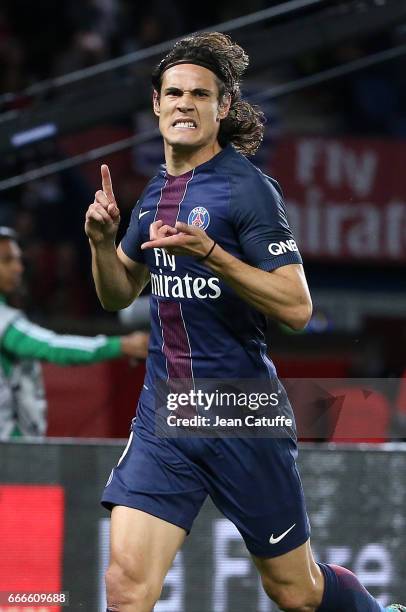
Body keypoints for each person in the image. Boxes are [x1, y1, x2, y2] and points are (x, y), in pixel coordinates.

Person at [85, 32, 404, 612]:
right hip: (166, 414)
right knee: (125, 588)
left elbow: (296, 308)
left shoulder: (248, 189)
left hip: (240, 410)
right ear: (156, 103)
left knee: (297, 594)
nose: (185, 103)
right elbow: (117, 293)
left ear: (222, 108)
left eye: (200, 95)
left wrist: (213, 255)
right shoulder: (155, 192)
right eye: (174, 93)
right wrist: (103, 244)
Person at [0, 226, 149, 439]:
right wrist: (122, 345)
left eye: (17, 260)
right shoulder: (3, 320)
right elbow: (52, 347)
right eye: (7, 260)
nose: (18, 268)